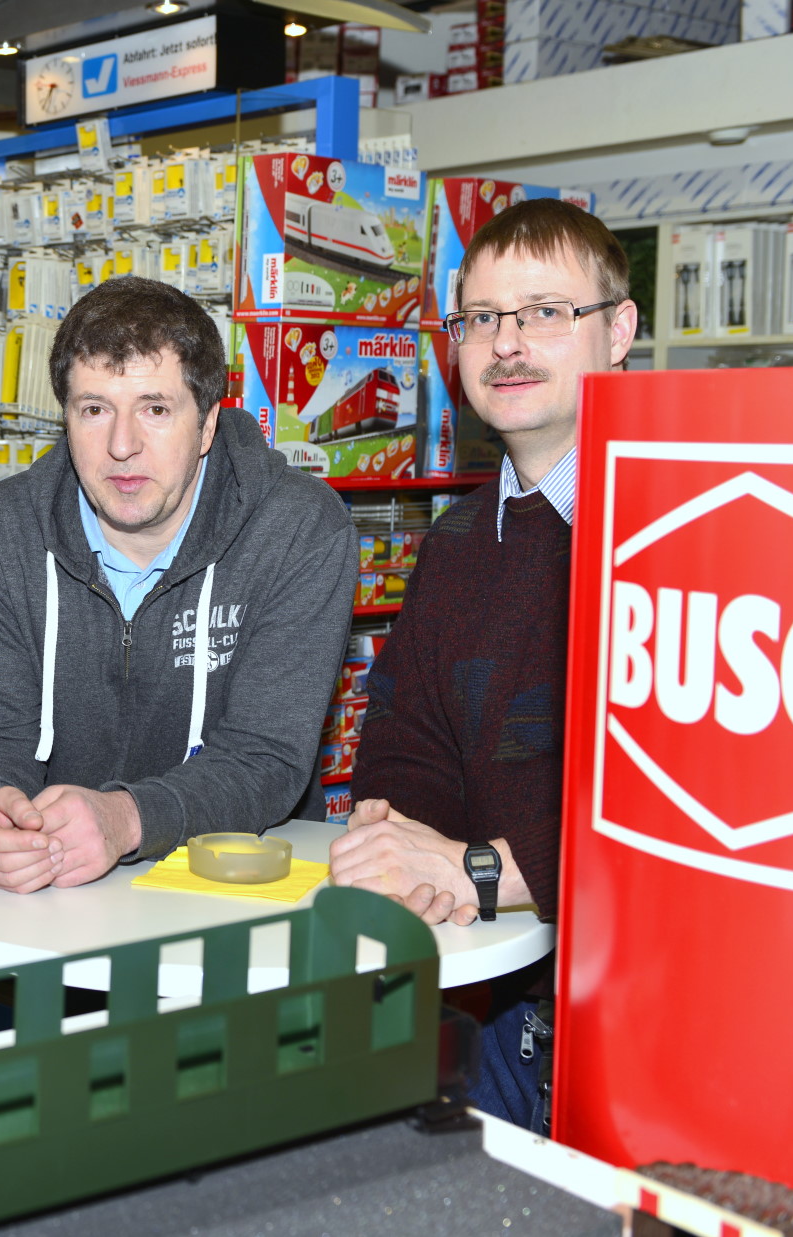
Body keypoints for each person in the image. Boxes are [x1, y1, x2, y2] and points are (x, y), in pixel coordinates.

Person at [330, 199, 640, 1131]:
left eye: (546, 312)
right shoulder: (459, 539)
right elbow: (404, 740)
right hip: (495, 1007)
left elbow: (674, 797)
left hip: (632, 1026)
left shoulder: (677, 532)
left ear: (619, 330)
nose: (507, 344)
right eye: (480, 318)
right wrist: (404, 844)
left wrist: (485, 868)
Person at [0, 276, 356, 893]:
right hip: (52, 896)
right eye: (94, 409)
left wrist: (126, 818)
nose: (121, 446)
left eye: (155, 409)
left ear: (208, 424)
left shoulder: (298, 528)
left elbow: (265, 757)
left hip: (236, 888)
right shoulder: (3, 530)